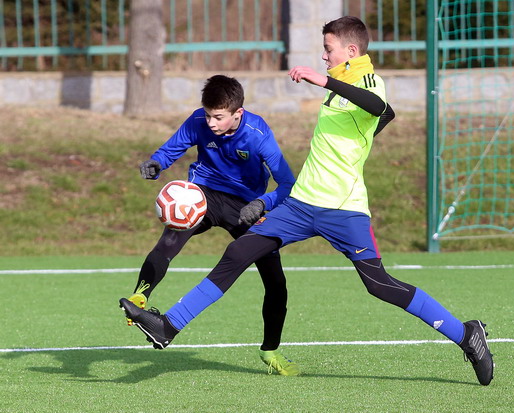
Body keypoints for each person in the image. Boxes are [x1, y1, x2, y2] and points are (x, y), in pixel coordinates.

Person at [121, 16, 494, 385]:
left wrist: (325, 83)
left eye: (328, 49)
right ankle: (169, 325)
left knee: (378, 285)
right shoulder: (341, 86)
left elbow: (379, 107)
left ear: (351, 50)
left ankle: (466, 334)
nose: (323, 56)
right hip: (301, 203)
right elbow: (385, 114)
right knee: (237, 253)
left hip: (342, 207)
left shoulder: (366, 80)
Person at [123, 74, 299, 376]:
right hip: (203, 194)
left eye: (218, 117)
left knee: (275, 281)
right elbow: (171, 149)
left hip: (246, 206)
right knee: (170, 240)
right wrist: (156, 163)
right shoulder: (198, 121)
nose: (211, 123)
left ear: (238, 113)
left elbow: (287, 184)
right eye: (207, 115)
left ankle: (270, 349)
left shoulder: (258, 133)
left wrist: (262, 203)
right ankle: (141, 295)